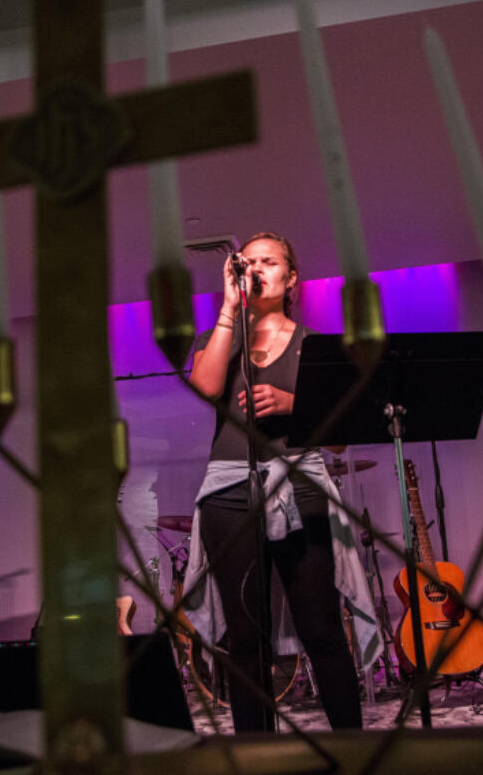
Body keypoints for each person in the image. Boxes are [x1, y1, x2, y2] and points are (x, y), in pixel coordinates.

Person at [181, 232, 380, 732]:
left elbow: (336, 444)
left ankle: (352, 749)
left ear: (291, 278)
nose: (256, 268)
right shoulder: (214, 339)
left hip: (302, 486)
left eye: (269, 261)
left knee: (322, 630)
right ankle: (257, 756)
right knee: (246, 640)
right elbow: (205, 389)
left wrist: (294, 405)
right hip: (229, 493)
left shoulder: (315, 345)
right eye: (247, 262)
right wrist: (230, 309)